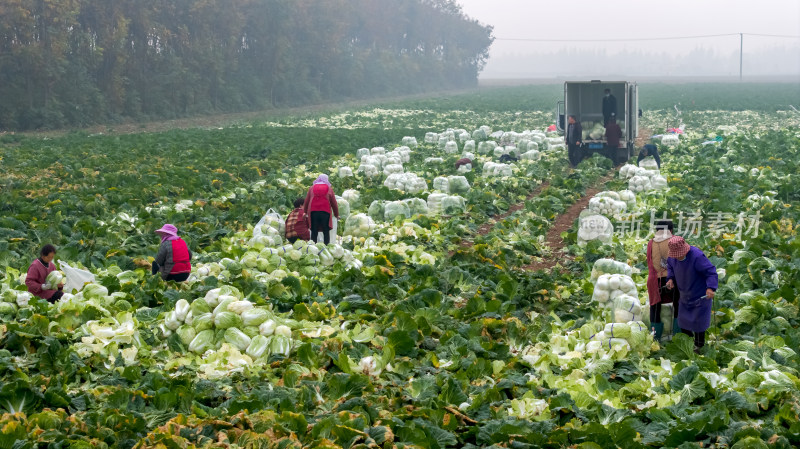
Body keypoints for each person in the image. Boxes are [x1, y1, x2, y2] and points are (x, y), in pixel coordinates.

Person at [666, 236, 718, 352]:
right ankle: (689, 345)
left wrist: (711, 287)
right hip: (684, 294)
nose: (678, 256)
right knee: (684, 321)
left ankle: (699, 347)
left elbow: (711, 272)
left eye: (680, 254)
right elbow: (670, 267)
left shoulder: (697, 256)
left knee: (699, 322)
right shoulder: (673, 258)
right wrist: (670, 279)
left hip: (700, 294)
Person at [646, 220, 679, 340]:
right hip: (673, 279)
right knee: (678, 305)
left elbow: (649, 262)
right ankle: (678, 336)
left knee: (655, 308)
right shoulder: (674, 240)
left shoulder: (651, 243)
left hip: (655, 280)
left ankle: (655, 338)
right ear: (670, 230)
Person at [303, 174, 339, 244]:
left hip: (313, 211)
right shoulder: (329, 188)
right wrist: (336, 214)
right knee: (326, 230)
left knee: (314, 230)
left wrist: (305, 212)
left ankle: (313, 246)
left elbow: (307, 201)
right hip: (325, 211)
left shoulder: (311, 188)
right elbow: (334, 203)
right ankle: (326, 246)